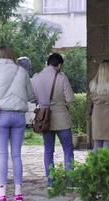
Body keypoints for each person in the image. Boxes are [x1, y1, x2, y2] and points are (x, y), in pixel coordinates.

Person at [0, 46, 35, 201]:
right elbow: (30, 95)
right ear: (13, 55)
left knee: (3, 155)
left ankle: (2, 194)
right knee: (16, 155)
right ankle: (18, 194)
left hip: (2, 115)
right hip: (19, 116)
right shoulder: (22, 71)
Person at [31, 53, 75, 186]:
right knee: (68, 149)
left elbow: (31, 98)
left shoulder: (36, 78)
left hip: (44, 119)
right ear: (60, 65)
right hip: (62, 118)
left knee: (48, 149)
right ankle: (70, 179)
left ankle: (51, 179)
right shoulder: (62, 78)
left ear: (47, 63)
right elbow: (70, 98)